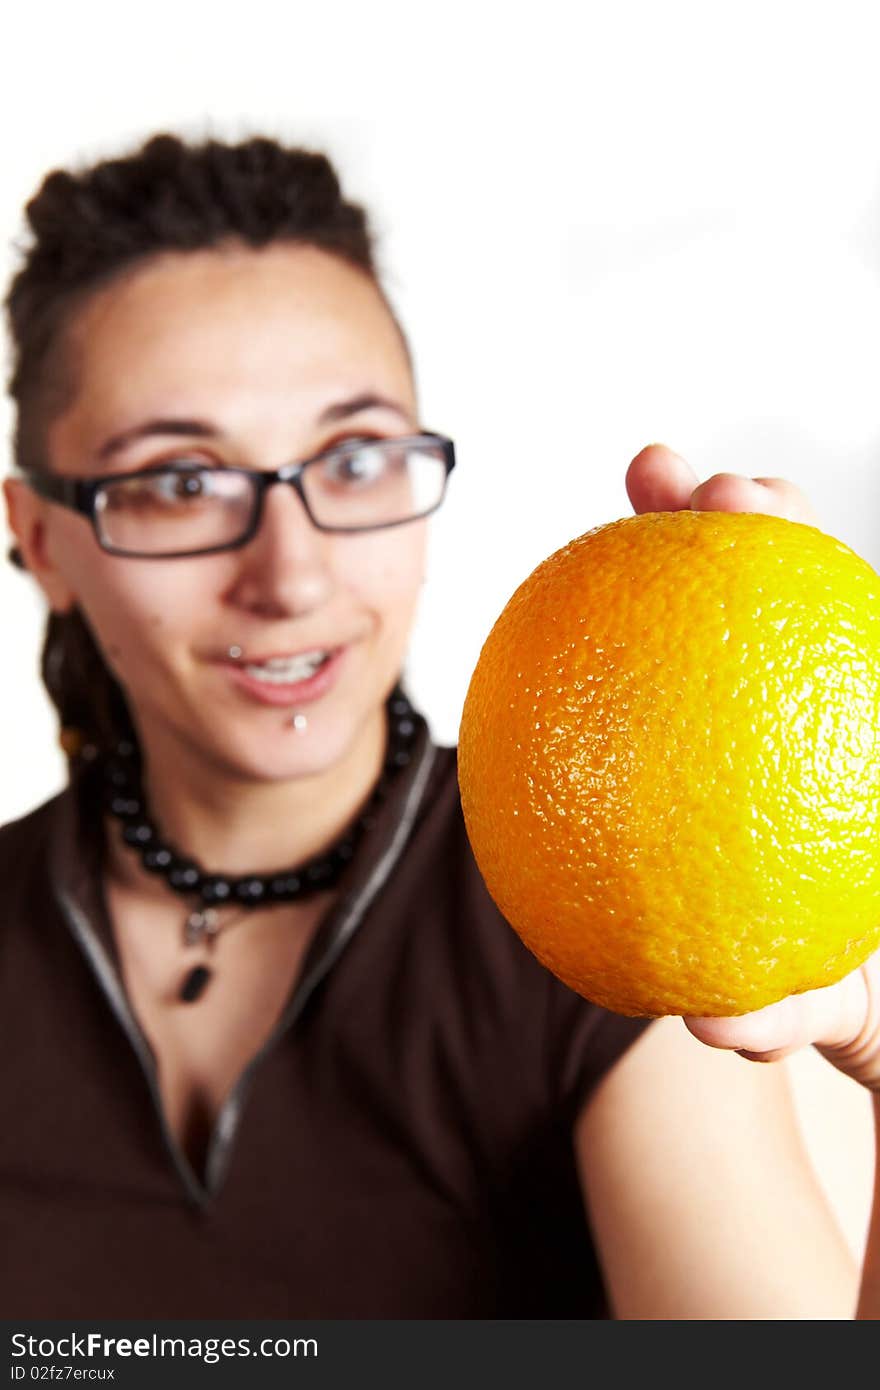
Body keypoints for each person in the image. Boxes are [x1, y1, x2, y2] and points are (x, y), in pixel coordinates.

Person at [1, 132, 877, 1321]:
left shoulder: (612, 910)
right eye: (183, 481)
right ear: (41, 536)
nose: (293, 574)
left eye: (355, 459)